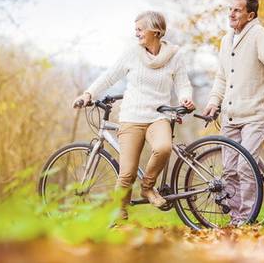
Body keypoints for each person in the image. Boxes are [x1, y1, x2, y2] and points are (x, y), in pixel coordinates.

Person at [73, 11, 195, 220]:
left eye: (140, 29)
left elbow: (183, 84)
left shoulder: (175, 55)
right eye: (135, 29)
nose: (136, 33)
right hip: (131, 117)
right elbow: (110, 76)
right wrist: (88, 94)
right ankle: (119, 214)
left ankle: (147, 187)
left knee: (163, 148)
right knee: (127, 173)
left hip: (158, 116)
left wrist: (185, 98)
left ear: (155, 31)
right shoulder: (132, 53)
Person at [202, 0, 264, 226]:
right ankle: (237, 219)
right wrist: (214, 102)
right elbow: (222, 77)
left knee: (246, 166)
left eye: (237, 10)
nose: (231, 14)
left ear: (250, 15)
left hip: (254, 114)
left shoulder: (257, 34)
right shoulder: (226, 40)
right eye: (230, 9)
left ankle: (247, 217)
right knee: (229, 170)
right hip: (230, 116)